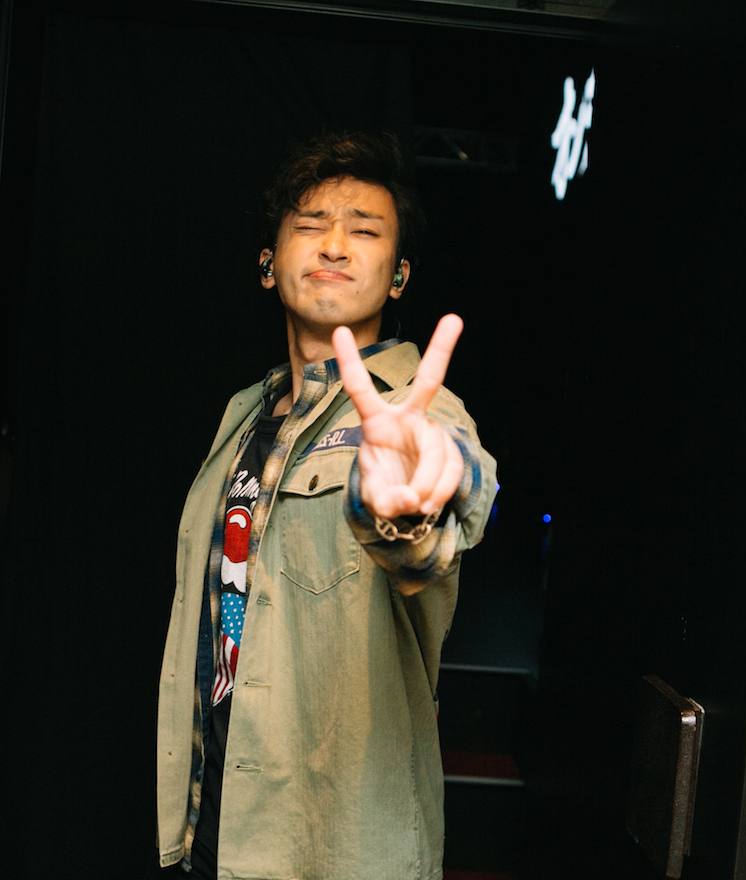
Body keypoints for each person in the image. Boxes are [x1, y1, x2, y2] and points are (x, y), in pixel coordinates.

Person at [155, 131, 497, 880]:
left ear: (399, 277)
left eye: (365, 231)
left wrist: (408, 502)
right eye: (311, 224)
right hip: (215, 823)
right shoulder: (244, 413)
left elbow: (443, 511)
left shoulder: (416, 416)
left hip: (334, 844)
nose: (335, 245)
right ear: (268, 263)